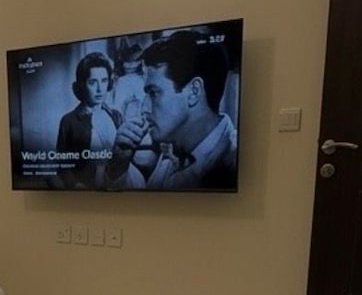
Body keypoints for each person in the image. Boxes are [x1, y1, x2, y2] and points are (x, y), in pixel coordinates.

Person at [106, 28, 238, 190]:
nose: (144, 109)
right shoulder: (172, 157)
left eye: (153, 93)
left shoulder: (234, 161)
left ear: (194, 92)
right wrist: (118, 166)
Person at [55, 51, 121, 189]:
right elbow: (62, 164)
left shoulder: (116, 116)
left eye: (104, 81)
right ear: (82, 85)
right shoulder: (69, 121)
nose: (99, 89)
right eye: (92, 82)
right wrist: (75, 185)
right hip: (85, 187)